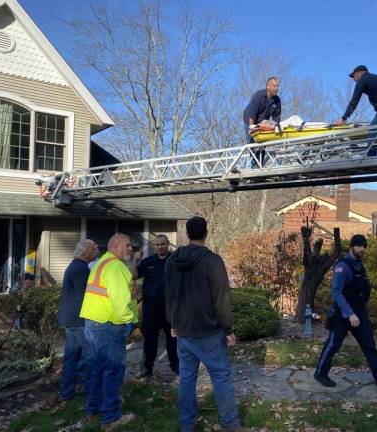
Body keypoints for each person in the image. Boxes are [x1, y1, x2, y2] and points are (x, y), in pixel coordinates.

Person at [165, 216, 241, 432]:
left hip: (184, 332)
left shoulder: (172, 261)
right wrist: (228, 329)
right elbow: (221, 297)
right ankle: (230, 424)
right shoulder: (212, 261)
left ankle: (187, 425)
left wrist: (172, 320)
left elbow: (169, 293)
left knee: (187, 380)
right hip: (209, 334)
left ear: (187, 234)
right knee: (221, 378)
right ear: (205, 233)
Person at [314, 234, 377, 395]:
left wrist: (359, 312)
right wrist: (349, 314)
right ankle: (320, 373)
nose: (363, 249)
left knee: (370, 346)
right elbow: (336, 292)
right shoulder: (343, 266)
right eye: (359, 246)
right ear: (352, 247)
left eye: (364, 246)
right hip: (343, 313)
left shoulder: (359, 265)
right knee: (332, 345)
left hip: (359, 313)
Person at [79, 234, 138, 430]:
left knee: (98, 369)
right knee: (113, 370)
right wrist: (129, 320)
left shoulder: (101, 262)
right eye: (128, 245)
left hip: (93, 323)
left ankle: (92, 410)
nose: (130, 248)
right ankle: (111, 418)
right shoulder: (116, 267)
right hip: (108, 324)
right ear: (116, 246)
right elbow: (120, 300)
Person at [131, 234, 179, 378]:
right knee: (150, 339)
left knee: (173, 340)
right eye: (157, 245)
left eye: (162, 244)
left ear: (168, 243)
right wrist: (135, 260)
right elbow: (134, 276)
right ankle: (147, 368)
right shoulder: (148, 262)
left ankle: (176, 366)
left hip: (170, 308)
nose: (159, 247)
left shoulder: (175, 261)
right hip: (151, 308)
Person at [57, 239, 98, 402]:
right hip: (79, 320)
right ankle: (90, 392)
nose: (96, 250)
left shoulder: (74, 265)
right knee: (90, 357)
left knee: (72, 357)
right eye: (93, 249)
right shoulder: (81, 269)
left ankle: (67, 392)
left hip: (70, 319)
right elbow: (84, 298)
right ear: (85, 252)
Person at [336, 65, 377, 156]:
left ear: (359, 73)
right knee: (372, 130)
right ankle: (371, 154)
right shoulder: (370, 79)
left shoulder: (364, 79)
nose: (353, 79)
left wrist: (344, 118)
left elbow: (354, 100)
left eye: (354, 76)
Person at [243, 77, 281, 167]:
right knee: (252, 142)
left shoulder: (277, 100)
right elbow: (251, 114)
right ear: (268, 86)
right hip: (250, 120)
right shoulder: (258, 96)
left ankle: (260, 165)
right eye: (275, 86)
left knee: (263, 143)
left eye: (278, 86)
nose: (277, 88)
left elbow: (276, 117)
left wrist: (272, 126)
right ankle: (253, 166)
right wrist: (251, 128)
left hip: (262, 123)